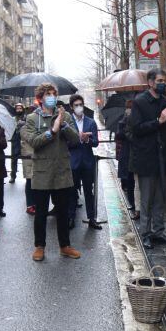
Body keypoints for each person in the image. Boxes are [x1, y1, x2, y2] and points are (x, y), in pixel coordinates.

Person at [21, 83, 82, 261]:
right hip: (41, 172)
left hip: (61, 172)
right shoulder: (33, 118)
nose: (52, 97)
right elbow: (34, 142)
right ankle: (39, 246)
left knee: (62, 212)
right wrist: (52, 130)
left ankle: (65, 246)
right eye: (48, 94)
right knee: (40, 213)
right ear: (40, 97)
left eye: (54, 94)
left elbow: (75, 140)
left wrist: (63, 125)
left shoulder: (65, 115)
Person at [128, 69, 166, 249]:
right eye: (159, 80)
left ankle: (159, 231)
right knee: (147, 199)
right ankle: (145, 233)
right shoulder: (139, 102)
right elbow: (136, 129)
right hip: (146, 157)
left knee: (161, 198)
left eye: (164, 81)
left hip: (164, 156)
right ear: (150, 82)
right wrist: (158, 121)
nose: (162, 83)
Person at [67, 95, 101, 230]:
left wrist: (87, 139)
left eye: (80, 104)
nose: (79, 107)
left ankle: (91, 218)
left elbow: (96, 142)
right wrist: (78, 139)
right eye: (76, 105)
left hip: (87, 162)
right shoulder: (67, 122)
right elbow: (65, 143)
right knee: (72, 192)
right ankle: (71, 217)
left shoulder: (91, 122)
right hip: (73, 162)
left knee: (89, 191)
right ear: (71, 107)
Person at [115, 100, 137, 217]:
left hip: (136, 153)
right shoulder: (122, 120)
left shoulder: (137, 118)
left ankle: (136, 204)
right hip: (126, 153)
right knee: (129, 181)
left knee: (135, 181)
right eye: (127, 108)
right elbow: (118, 135)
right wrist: (124, 122)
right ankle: (132, 203)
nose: (129, 110)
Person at [10, 102, 25, 183]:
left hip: (24, 141)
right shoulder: (13, 118)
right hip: (15, 140)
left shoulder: (26, 118)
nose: (19, 110)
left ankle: (27, 176)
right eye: (17, 108)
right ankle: (13, 176)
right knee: (13, 159)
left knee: (26, 160)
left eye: (20, 108)